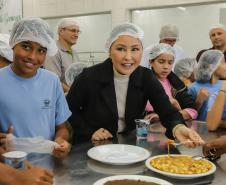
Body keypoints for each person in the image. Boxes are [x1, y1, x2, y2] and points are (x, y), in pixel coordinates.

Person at [67, 23, 204, 147]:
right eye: (120, 49)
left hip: (127, 143)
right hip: (92, 144)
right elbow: (69, 108)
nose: (128, 57)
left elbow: (166, 109)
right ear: (109, 51)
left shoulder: (145, 77)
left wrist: (178, 127)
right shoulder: (90, 76)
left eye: (135, 49)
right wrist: (90, 131)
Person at [0, 17, 71, 158]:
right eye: (26, 46)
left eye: (41, 50)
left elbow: (61, 127)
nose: (32, 56)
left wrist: (61, 140)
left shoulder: (52, 81)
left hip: (47, 165)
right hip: (10, 166)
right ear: (13, 44)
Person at [145, 43, 197, 122]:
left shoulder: (176, 84)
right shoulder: (143, 82)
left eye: (170, 62)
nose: (166, 67)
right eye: (161, 62)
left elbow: (192, 111)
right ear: (151, 62)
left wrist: (175, 105)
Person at [188, 50, 226, 131]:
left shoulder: (224, 85)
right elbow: (188, 117)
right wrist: (199, 101)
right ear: (212, 66)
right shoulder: (194, 87)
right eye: (223, 63)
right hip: (201, 132)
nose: (225, 66)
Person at [45, 18, 80, 93]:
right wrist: (73, 93)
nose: (76, 34)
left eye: (78, 31)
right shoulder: (53, 52)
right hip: (61, 98)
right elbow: (53, 80)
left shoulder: (74, 53)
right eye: (73, 30)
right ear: (61, 31)